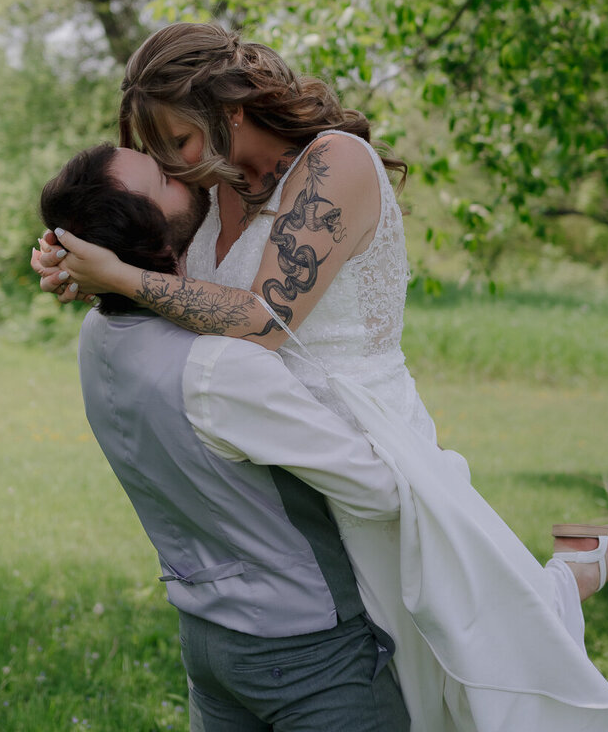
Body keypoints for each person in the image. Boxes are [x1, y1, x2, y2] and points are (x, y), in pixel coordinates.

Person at [35, 23, 608, 732]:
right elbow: (154, 247)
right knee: (405, 660)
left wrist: (119, 274)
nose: (171, 168)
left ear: (228, 111)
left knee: (453, 656)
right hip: (269, 438)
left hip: (358, 427)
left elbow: (266, 319)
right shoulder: (212, 187)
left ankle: (576, 570)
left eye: (176, 143)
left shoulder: (335, 165)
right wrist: (77, 255)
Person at [39, 142, 411, 732]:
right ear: (155, 235)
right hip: (306, 651)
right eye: (166, 176)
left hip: (208, 644)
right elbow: (380, 491)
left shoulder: (96, 338)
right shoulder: (220, 369)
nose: (185, 170)